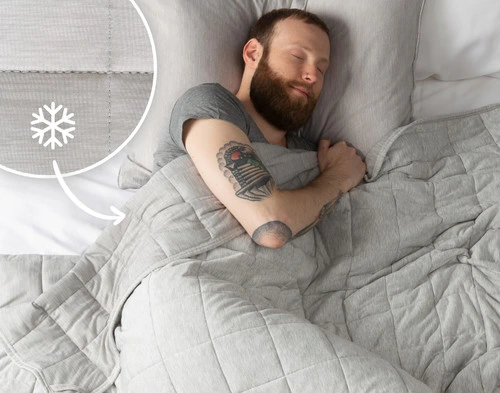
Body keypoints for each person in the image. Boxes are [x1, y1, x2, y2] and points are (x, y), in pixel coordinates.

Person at [153, 8, 366, 249]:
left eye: (321, 69)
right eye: (298, 56)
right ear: (253, 54)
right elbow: (271, 228)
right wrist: (338, 178)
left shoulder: (315, 157)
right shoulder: (209, 105)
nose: (312, 76)